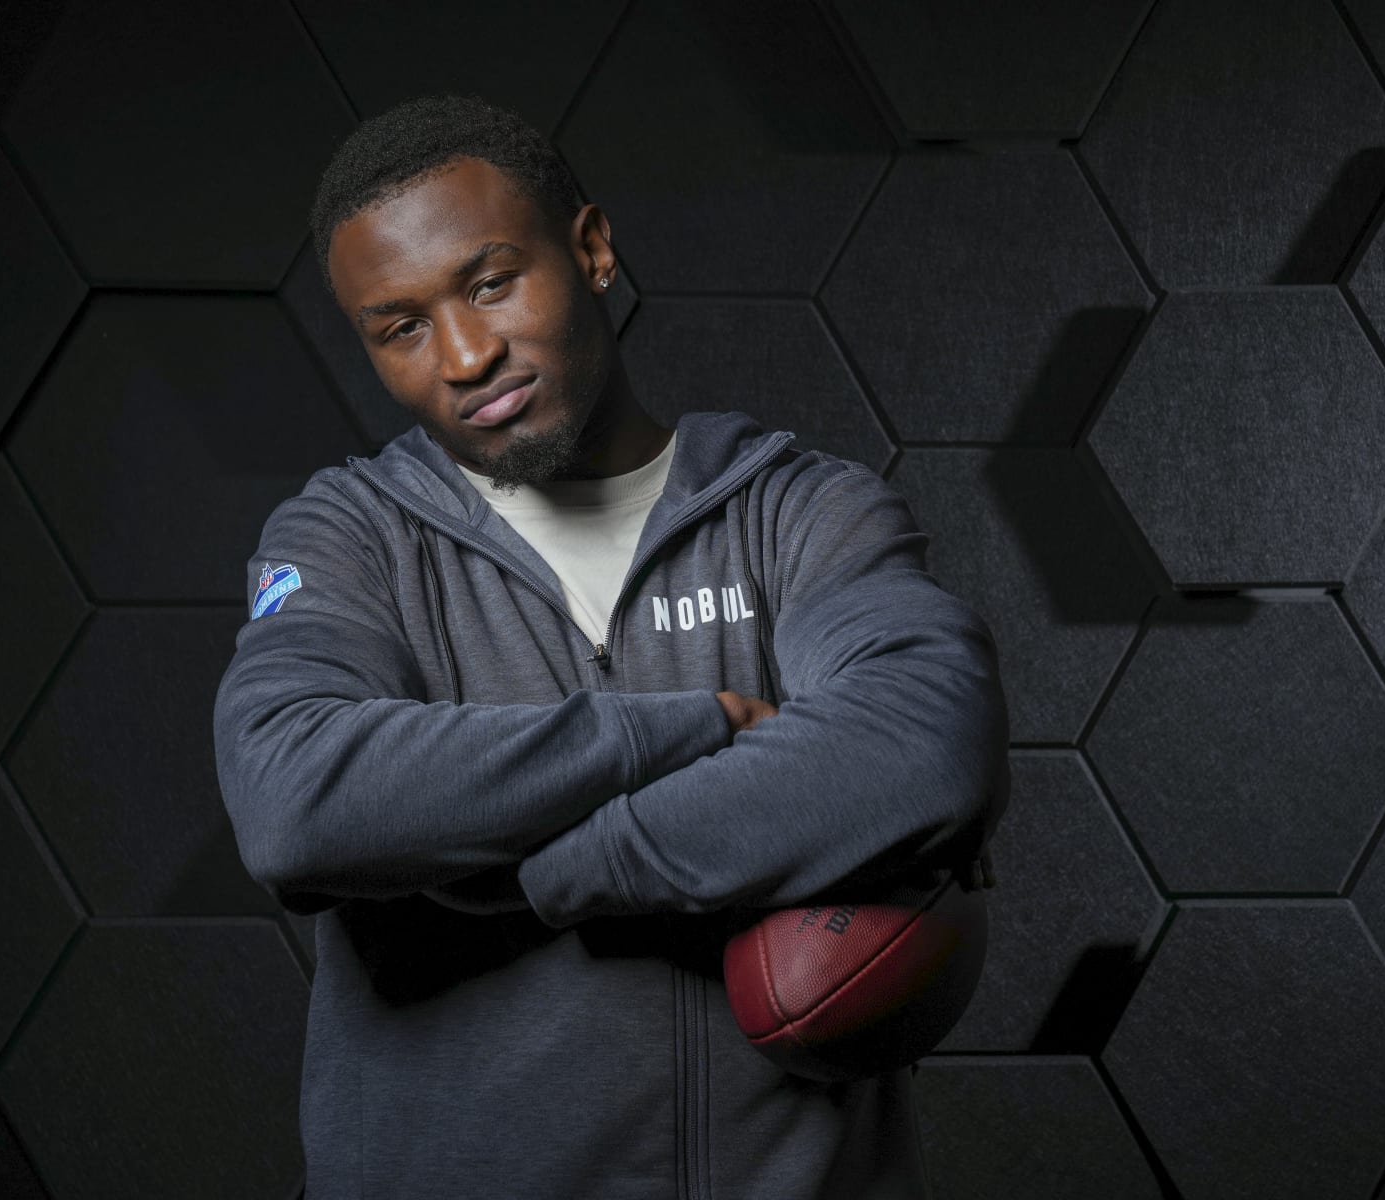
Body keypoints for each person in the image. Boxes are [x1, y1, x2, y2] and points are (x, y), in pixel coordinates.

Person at [213, 93, 1009, 1200]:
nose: (466, 353)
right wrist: (696, 729)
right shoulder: (349, 538)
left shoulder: (794, 511)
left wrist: (557, 872)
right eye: (401, 327)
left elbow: (923, 743)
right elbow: (297, 800)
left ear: (591, 250)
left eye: (491, 282)